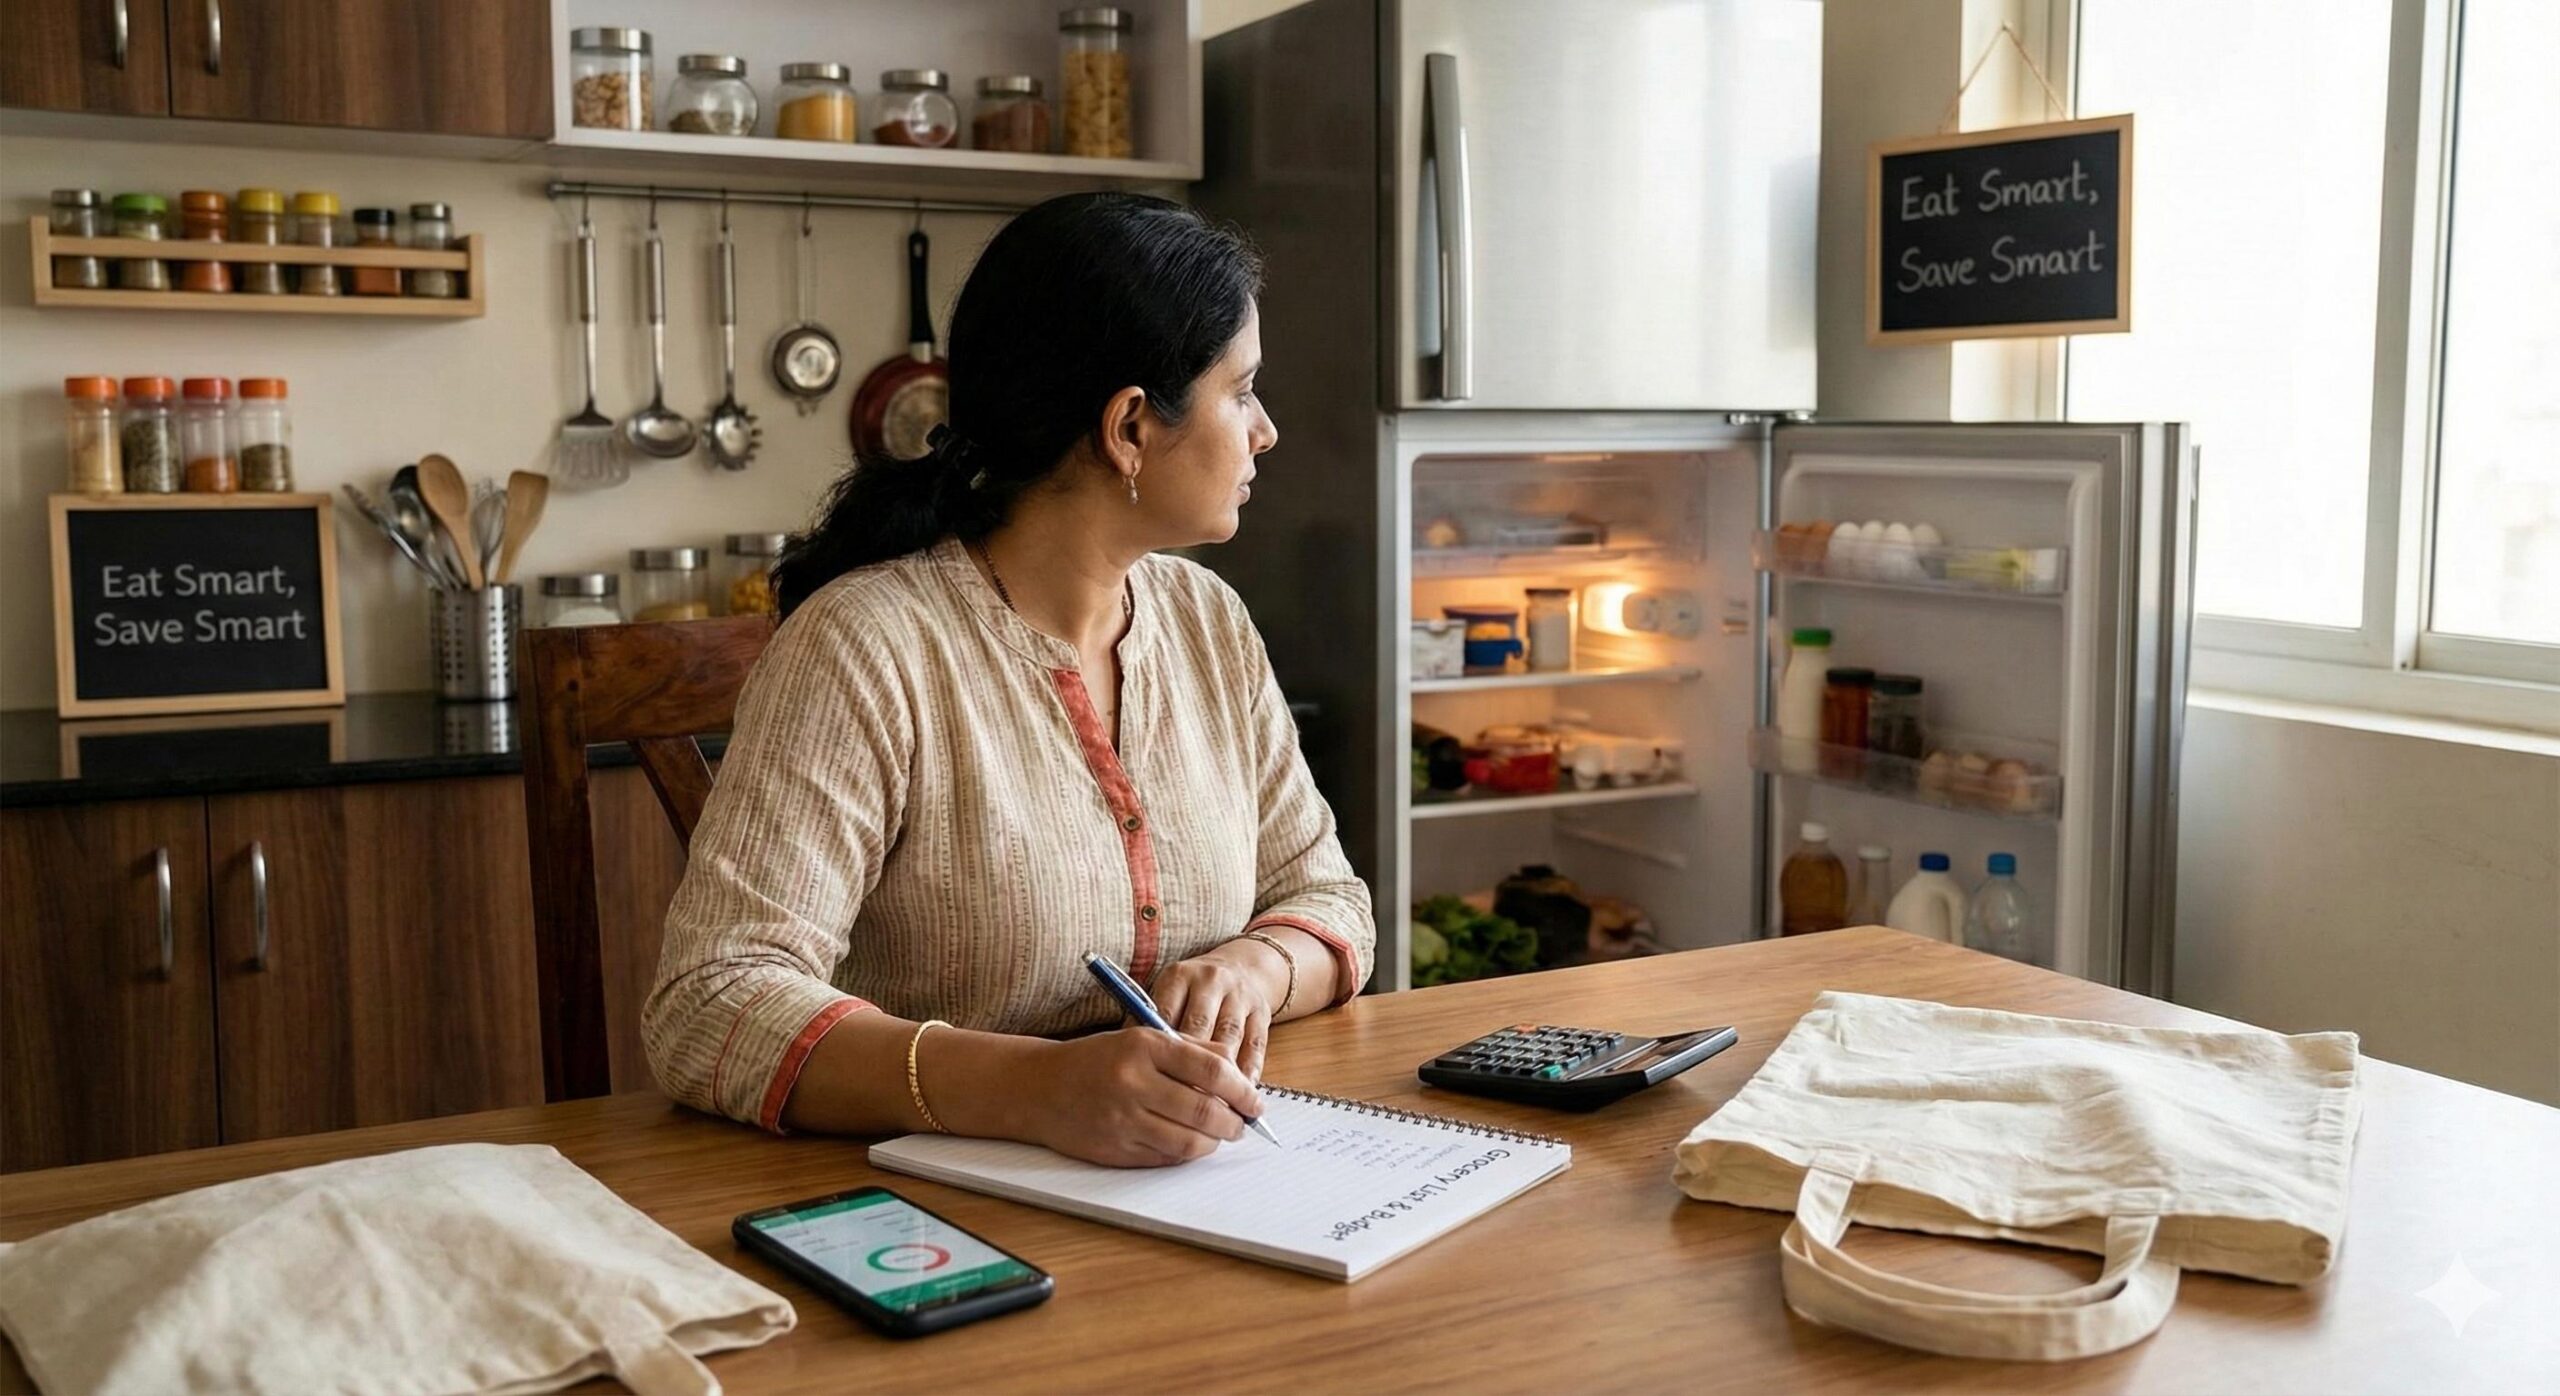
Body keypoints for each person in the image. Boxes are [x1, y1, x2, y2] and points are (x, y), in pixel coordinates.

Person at [644, 192, 1374, 1168]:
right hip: (929, 1230)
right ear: (1129, 427)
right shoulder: (866, 649)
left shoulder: (1209, 623)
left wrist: (1258, 966)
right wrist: (1033, 1088)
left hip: (1194, 1189)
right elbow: (711, 1002)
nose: (1265, 431)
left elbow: (1329, 897)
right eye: (1239, 392)